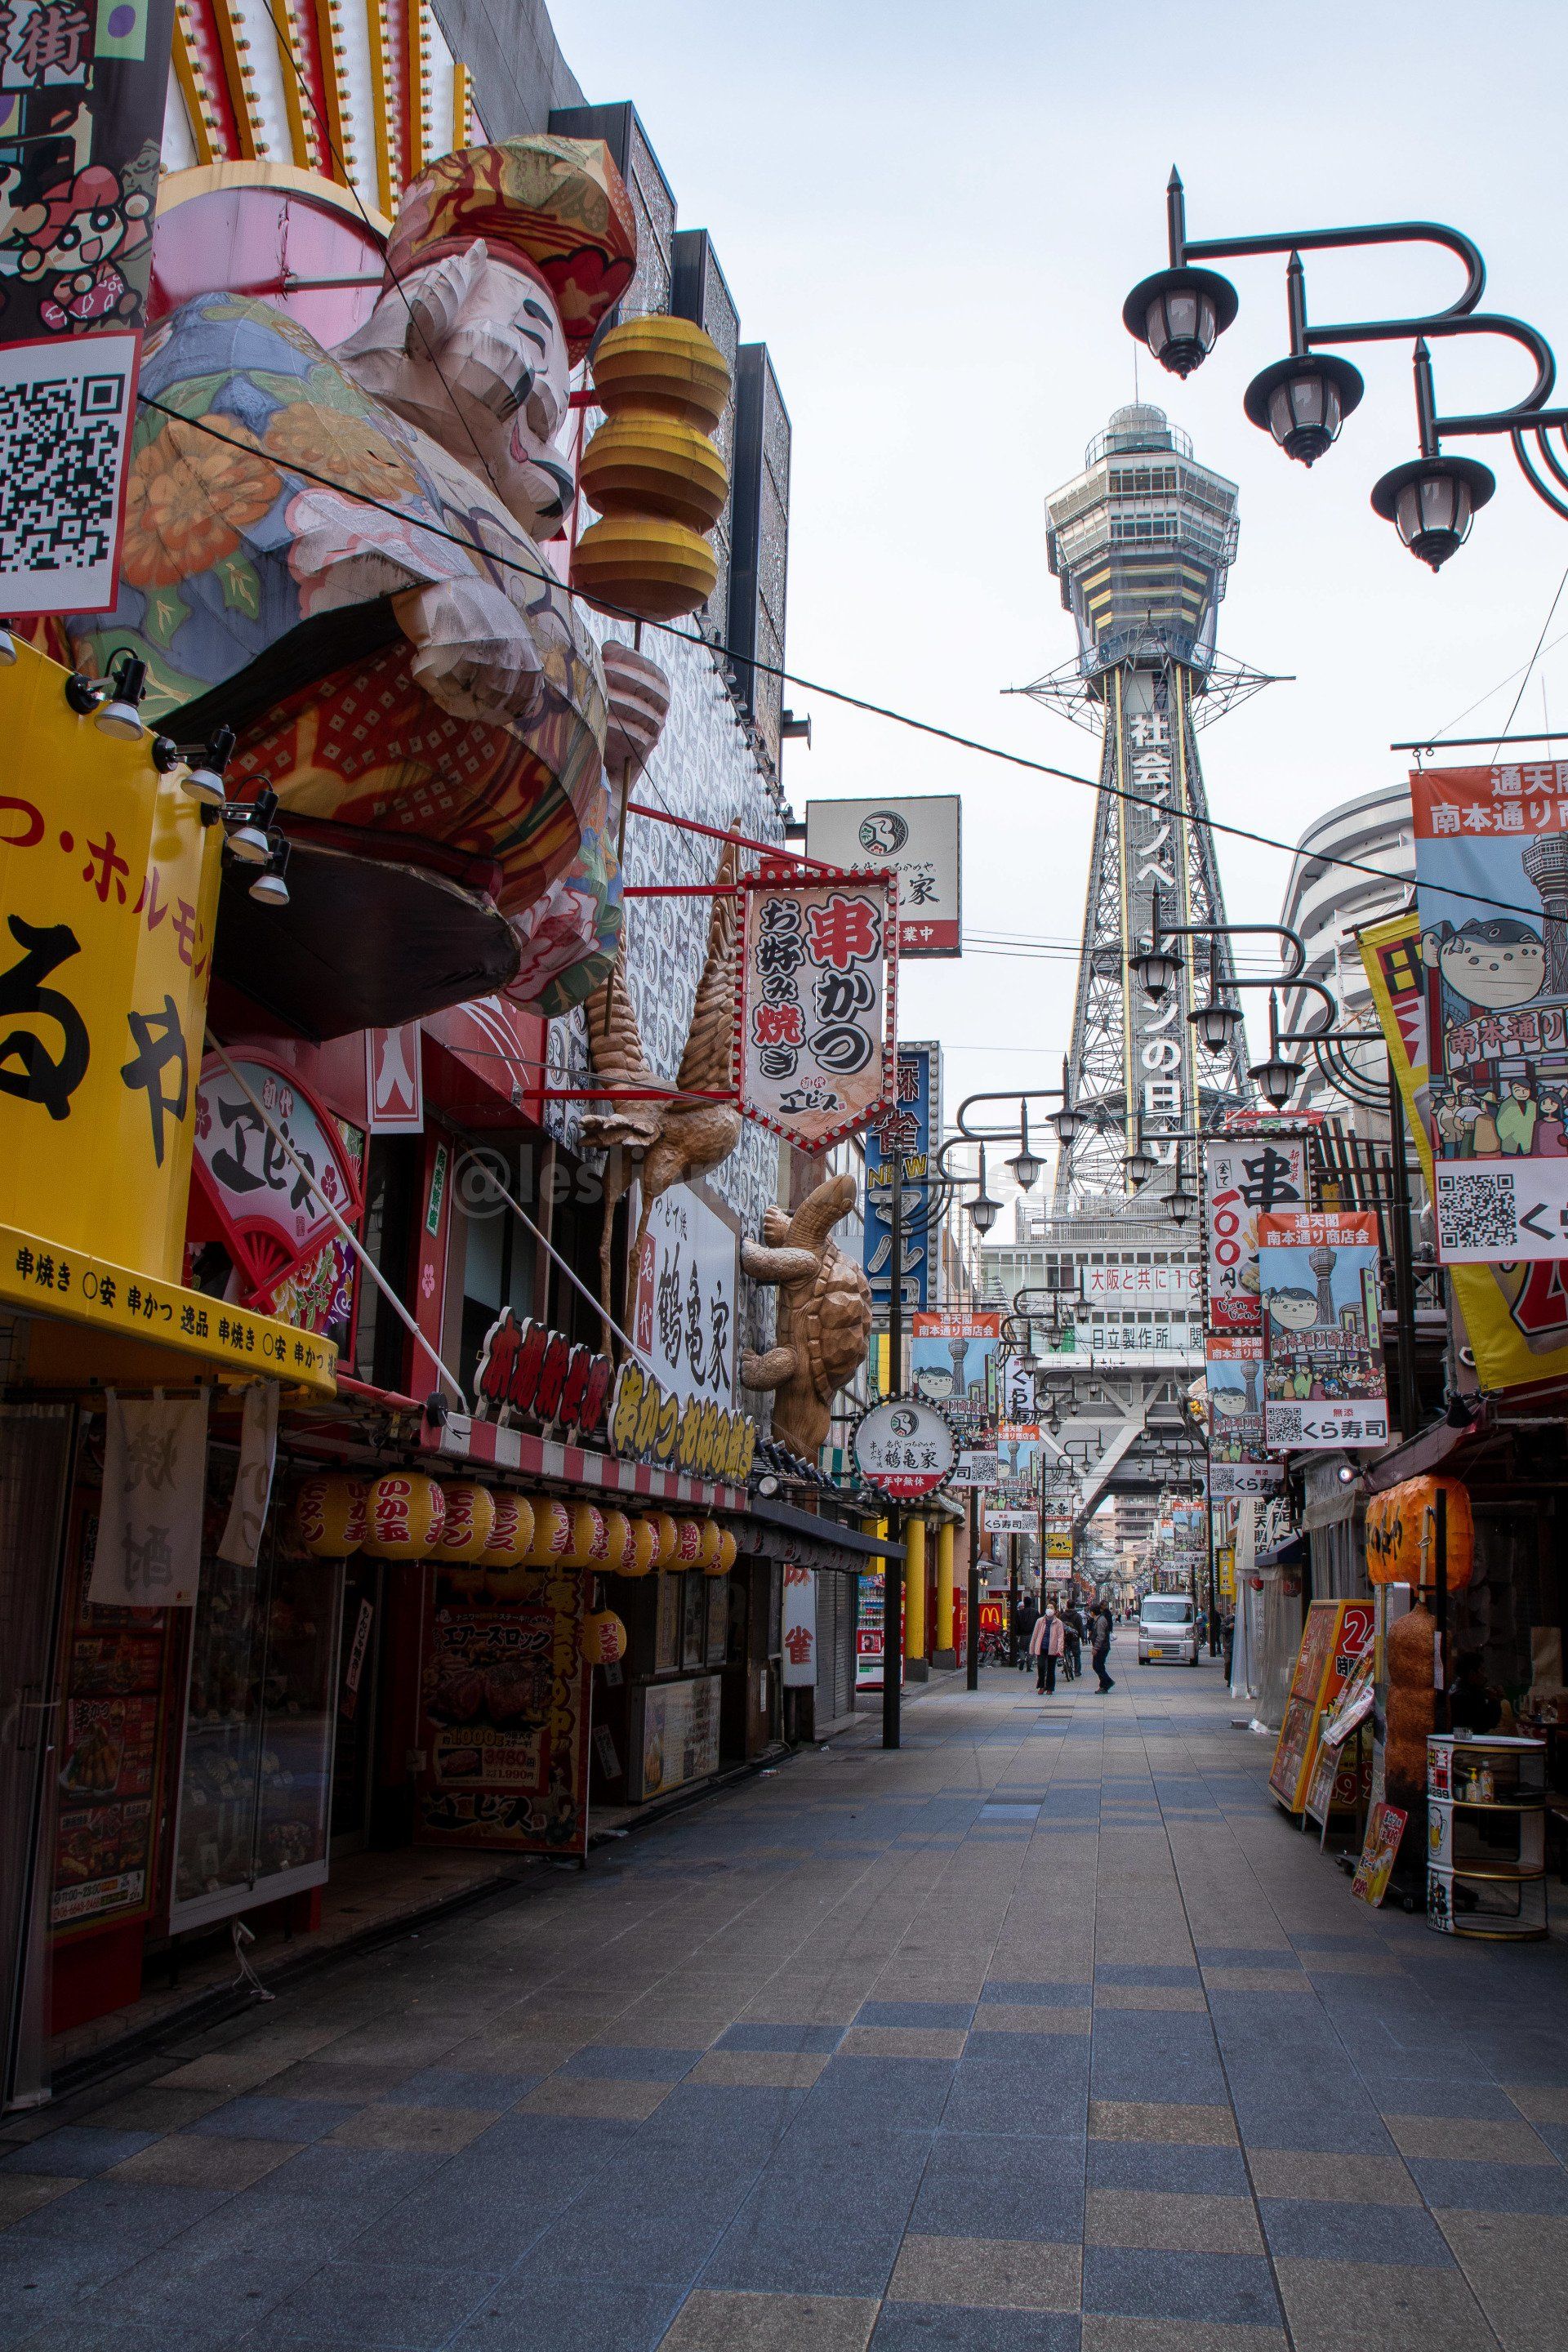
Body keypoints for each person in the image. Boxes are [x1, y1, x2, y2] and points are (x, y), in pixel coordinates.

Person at [1030, 1602, 1065, 1695]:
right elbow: (1035, 1635)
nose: (1049, 1609)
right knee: (1041, 1666)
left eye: (1051, 1608)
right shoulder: (1040, 1621)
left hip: (1052, 1648)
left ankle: (1050, 1687)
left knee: (1051, 1669)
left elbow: (1060, 1636)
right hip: (1041, 1647)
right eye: (1048, 1607)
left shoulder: (1058, 1623)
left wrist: (1059, 1649)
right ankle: (1041, 1686)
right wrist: (1032, 1649)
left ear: (1055, 1611)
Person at [1090, 1600, 1115, 1694]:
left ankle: (1107, 1682)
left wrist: (1095, 1648)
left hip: (1102, 1648)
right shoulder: (1099, 1619)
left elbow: (1101, 1636)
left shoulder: (1100, 1620)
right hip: (1102, 1647)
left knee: (1097, 1666)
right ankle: (1104, 1684)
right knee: (1098, 1666)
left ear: (1093, 1612)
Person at [1013, 1592, 1039, 1671]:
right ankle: (1029, 1666)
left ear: (1024, 1603)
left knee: (1021, 1649)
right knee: (1031, 1650)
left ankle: (1022, 1659)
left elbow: (1016, 1623)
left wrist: (1017, 1633)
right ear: (1031, 1603)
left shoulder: (1019, 1612)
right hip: (1032, 1634)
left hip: (1022, 1634)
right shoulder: (1035, 1612)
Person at [1062, 1604, 1083, 1682]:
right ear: (1074, 1606)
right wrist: (1082, 1637)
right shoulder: (1078, 1616)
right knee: (1077, 1655)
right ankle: (1077, 1671)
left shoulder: (1063, 1615)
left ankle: (1068, 1665)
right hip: (1075, 1637)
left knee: (1066, 1652)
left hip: (1066, 1638)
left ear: (1067, 1606)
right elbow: (1081, 1627)